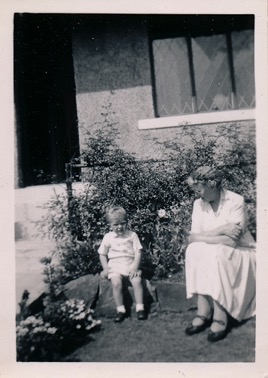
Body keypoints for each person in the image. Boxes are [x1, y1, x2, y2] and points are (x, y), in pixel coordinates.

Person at [184, 166, 256, 342]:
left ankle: (220, 312)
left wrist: (202, 237)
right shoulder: (198, 205)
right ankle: (203, 310)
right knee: (193, 250)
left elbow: (232, 241)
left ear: (213, 184)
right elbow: (192, 238)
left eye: (200, 190)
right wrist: (223, 228)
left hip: (242, 250)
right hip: (216, 248)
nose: (198, 195)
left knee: (216, 252)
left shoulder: (236, 201)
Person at [98, 206, 146, 322]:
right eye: (116, 224)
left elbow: (138, 251)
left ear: (127, 222)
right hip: (115, 266)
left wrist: (135, 267)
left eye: (122, 223)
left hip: (130, 265)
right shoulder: (108, 237)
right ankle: (120, 310)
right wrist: (105, 268)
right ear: (110, 225)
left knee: (137, 281)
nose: (120, 227)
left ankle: (140, 308)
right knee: (116, 283)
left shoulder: (132, 235)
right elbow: (102, 254)